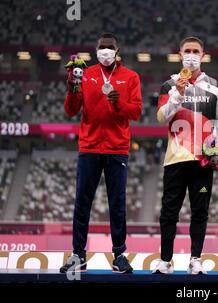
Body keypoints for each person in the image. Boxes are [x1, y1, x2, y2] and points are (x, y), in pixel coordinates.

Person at [60, 33, 142, 274]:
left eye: (110, 48)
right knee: (82, 202)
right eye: (102, 48)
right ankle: (78, 255)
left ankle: (119, 255)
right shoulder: (85, 75)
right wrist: (72, 88)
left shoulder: (130, 77)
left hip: (117, 149)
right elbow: (70, 111)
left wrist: (119, 104)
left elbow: (136, 112)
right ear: (96, 50)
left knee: (117, 203)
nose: (106, 51)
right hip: (89, 147)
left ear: (117, 51)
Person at [154, 36, 218, 274]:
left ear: (203, 55)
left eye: (196, 51)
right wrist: (177, 93)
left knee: (200, 212)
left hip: (203, 161)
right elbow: (161, 117)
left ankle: (195, 259)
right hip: (175, 158)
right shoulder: (169, 85)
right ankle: (165, 260)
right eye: (188, 50)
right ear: (180, 54)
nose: (192, 55)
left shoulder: (215, 87)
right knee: (169, 212)